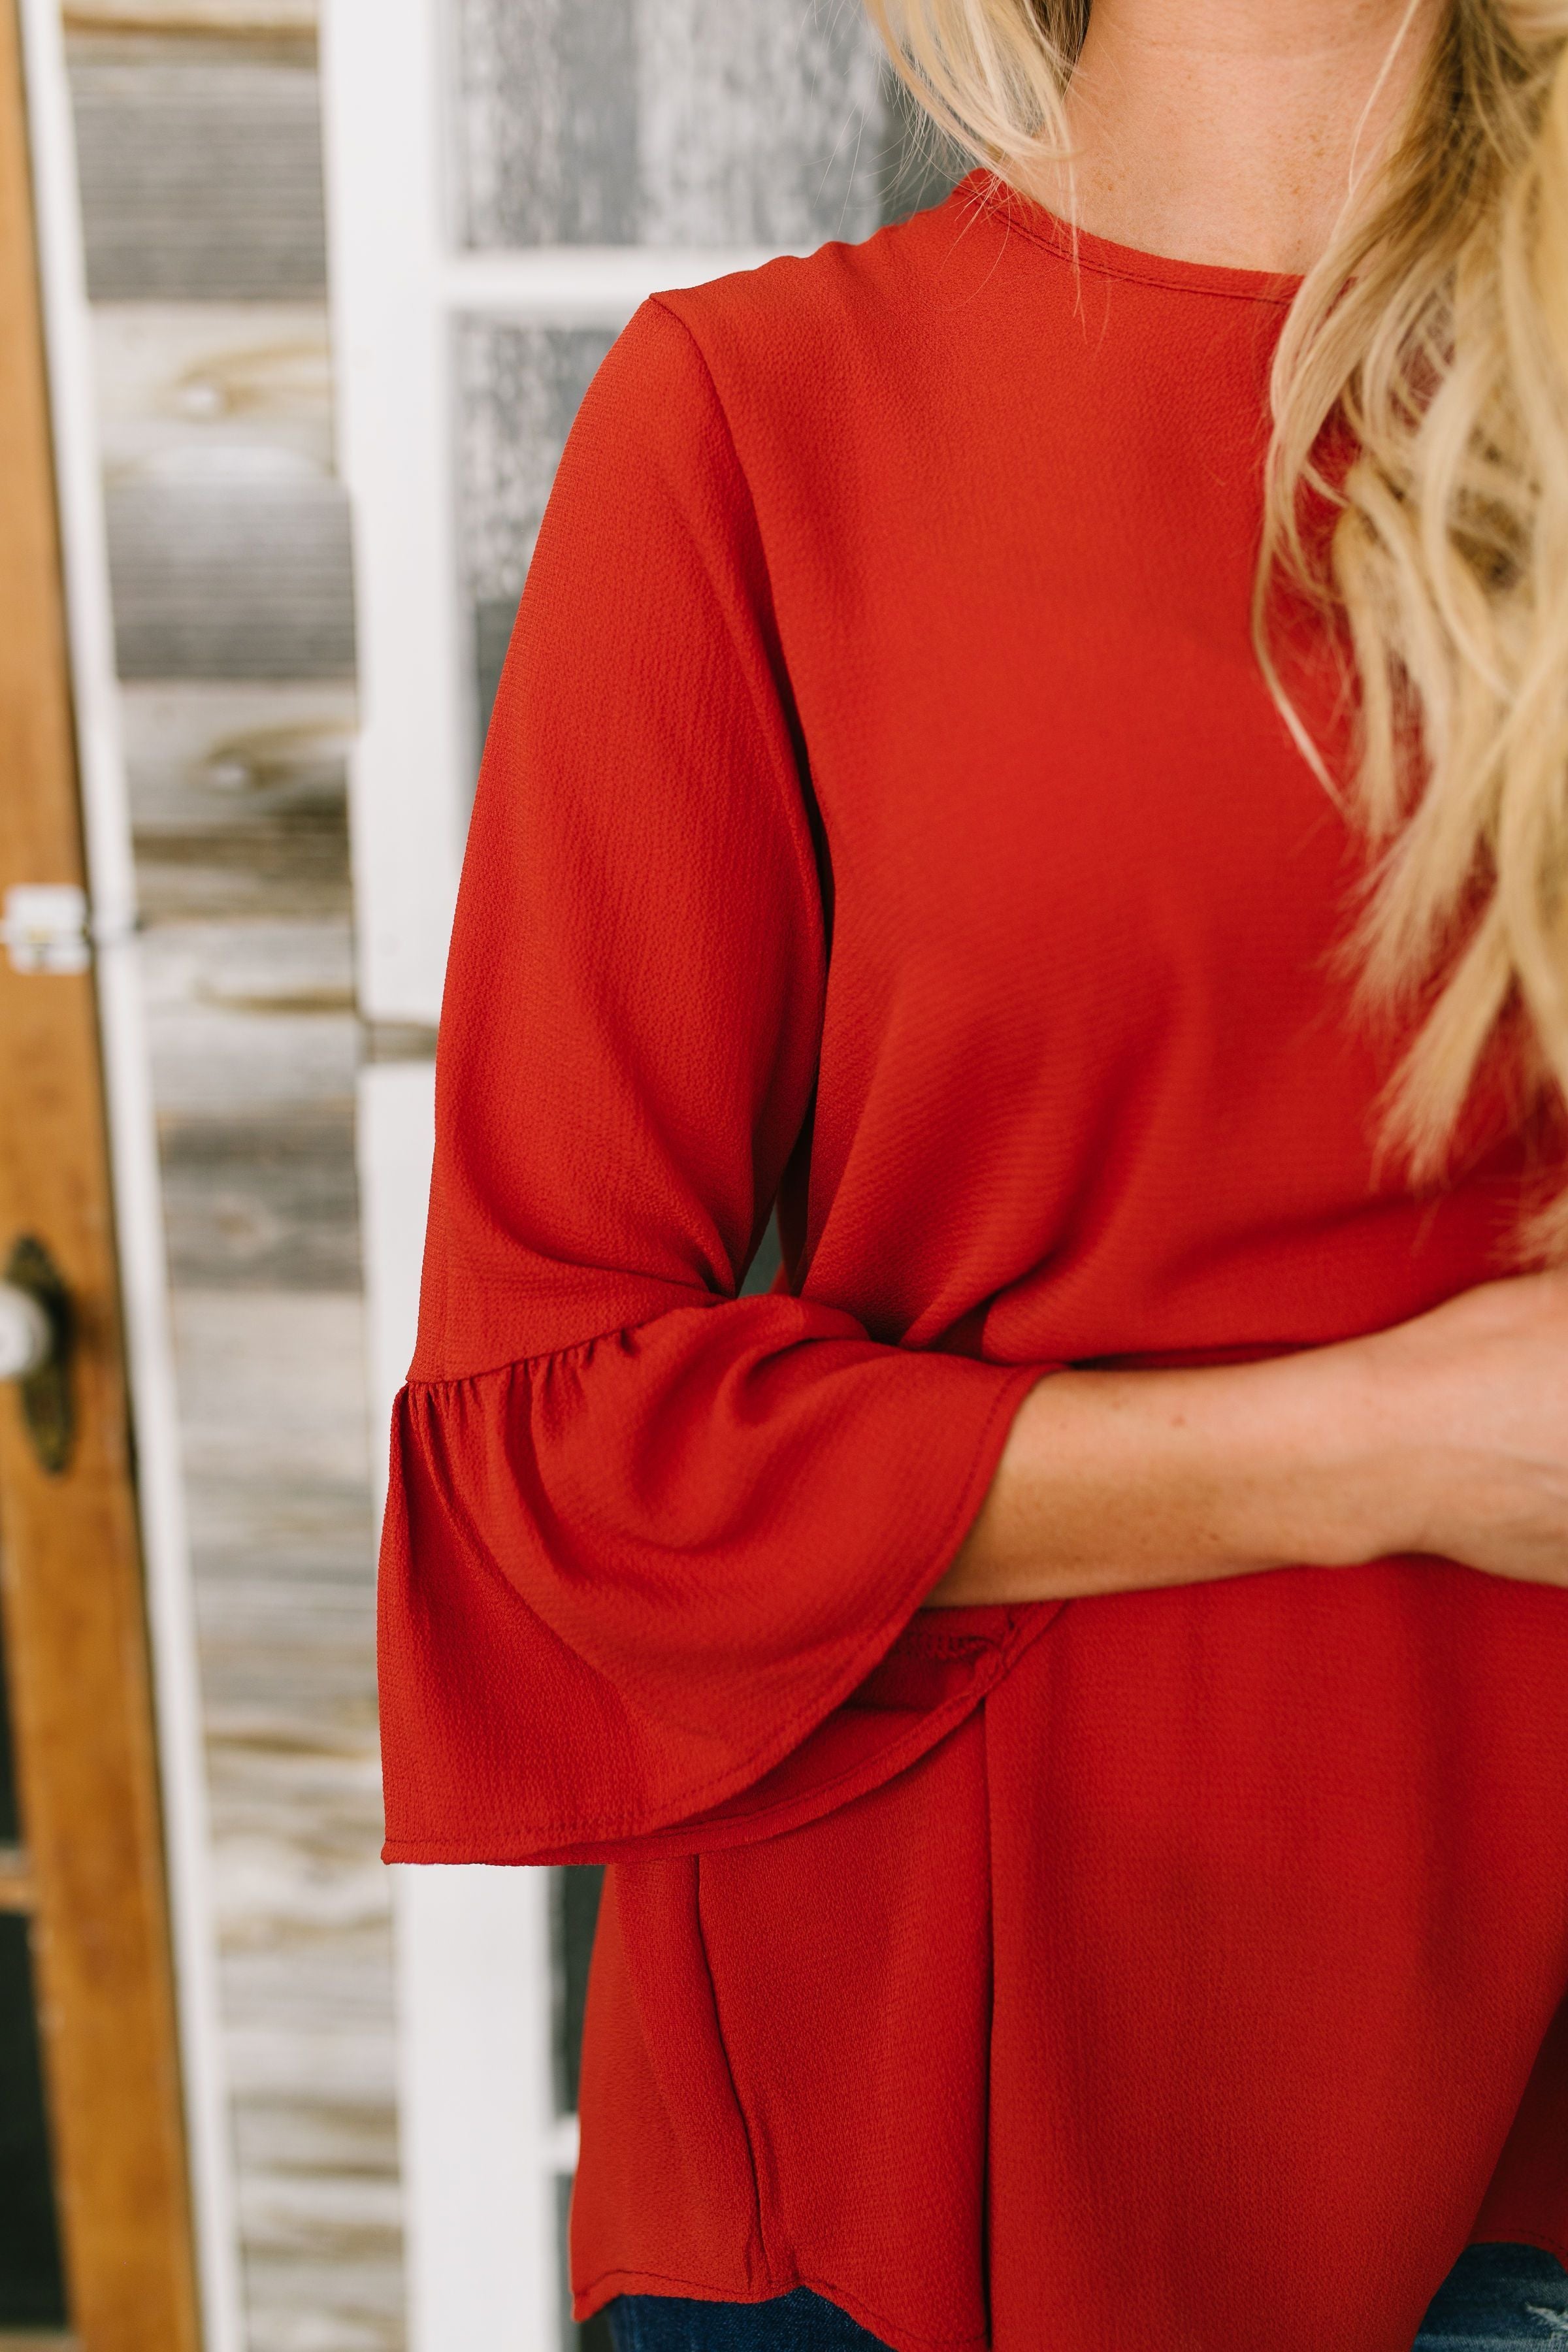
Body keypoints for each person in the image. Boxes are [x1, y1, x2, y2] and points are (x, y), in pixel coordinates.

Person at [376, 1, 1568, 2345]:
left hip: (1509, 2142)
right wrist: (1393, 1444)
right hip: (917, 2146)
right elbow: (553, 1452)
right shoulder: (759, 422)